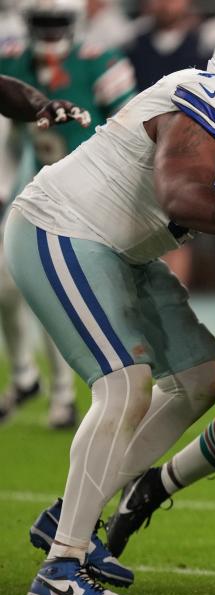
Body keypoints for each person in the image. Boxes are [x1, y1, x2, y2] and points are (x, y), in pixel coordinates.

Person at [12, 14, 215, 595]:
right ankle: (61, 569)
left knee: (198, 380)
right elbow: (180, 195)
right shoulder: (202, 91)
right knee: (125, 386)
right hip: (63, 227)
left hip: (121, 252)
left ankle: (69, 517)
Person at [0, 0, 134, 431]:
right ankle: (26, 376)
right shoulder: (14, 61)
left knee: (55, 295)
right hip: (32, 190)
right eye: (43, 22)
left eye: (58, 22)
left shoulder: (100, 62)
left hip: (88, 195)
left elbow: (129, 128)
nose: (51, 32)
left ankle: (64, 393)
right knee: (9, 286)